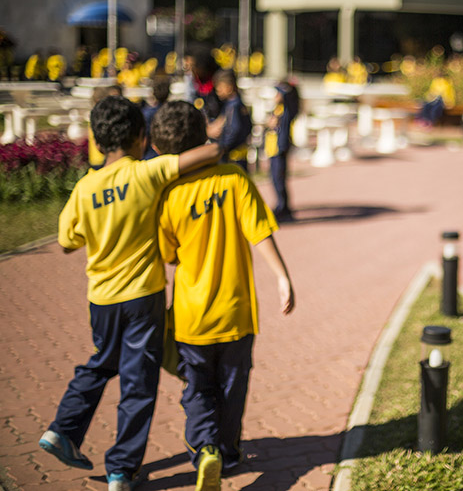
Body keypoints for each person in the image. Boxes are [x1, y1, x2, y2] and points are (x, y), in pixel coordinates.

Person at [38, 96, 221, 491]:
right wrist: (216, 140)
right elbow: (209, 153)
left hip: (101, 299)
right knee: (138, 382)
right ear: (142, 137)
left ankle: (62, 429)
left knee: (102, 362)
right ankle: (121, 469)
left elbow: (68, 241)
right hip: (143, 296)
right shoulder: (147, 174)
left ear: (98, 141)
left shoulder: (85, 188)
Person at [152, 101, 295, 490]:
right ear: (203, 136)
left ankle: (205, 449)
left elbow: (167, 254)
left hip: (191, 315)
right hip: (237, 312)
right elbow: (260, 231)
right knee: (233, 385)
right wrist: (283, 277)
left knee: (198, 386)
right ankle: (229, 451)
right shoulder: (234, 179)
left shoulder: (168, 195)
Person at [266, 81, 299, 220]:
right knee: (274, 178)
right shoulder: (277, 108)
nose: (276, 96)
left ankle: (284, 208)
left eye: (278, 93)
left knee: (279, 178)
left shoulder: (287, 109)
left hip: (280, 148)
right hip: (272, 148)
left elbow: (291, 101)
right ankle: (280, 205)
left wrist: (288, 89)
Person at [207, 69, 252, 172]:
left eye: (219, 88)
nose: (217, 91)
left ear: (229, 87)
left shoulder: (233, 106)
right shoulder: (235, 103)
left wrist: (223, 147)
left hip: (234, 156)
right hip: (239, 154)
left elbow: (234, 129)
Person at [142, 76, 172, 160]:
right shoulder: (173, 111)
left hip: (151, 156)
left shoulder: (147, 113)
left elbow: (144, 137)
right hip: (169, 155)